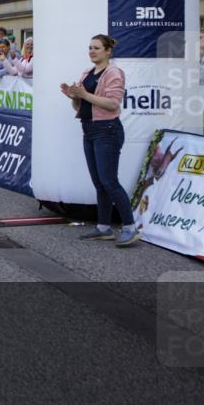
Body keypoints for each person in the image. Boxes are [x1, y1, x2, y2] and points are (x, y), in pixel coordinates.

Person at [60, 34, 139, 246]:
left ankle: (130, 227)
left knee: (109, 182)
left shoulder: (114, 73)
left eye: (96, 48)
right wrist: (74, 97)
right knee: (99, 183)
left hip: (107, 130)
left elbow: (113, 104)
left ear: (107, 51)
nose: (92, 51)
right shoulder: (87, 73)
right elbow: (79, 107)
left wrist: (84, 95)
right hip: (89, 129)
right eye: (89, 48)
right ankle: (104, 227)